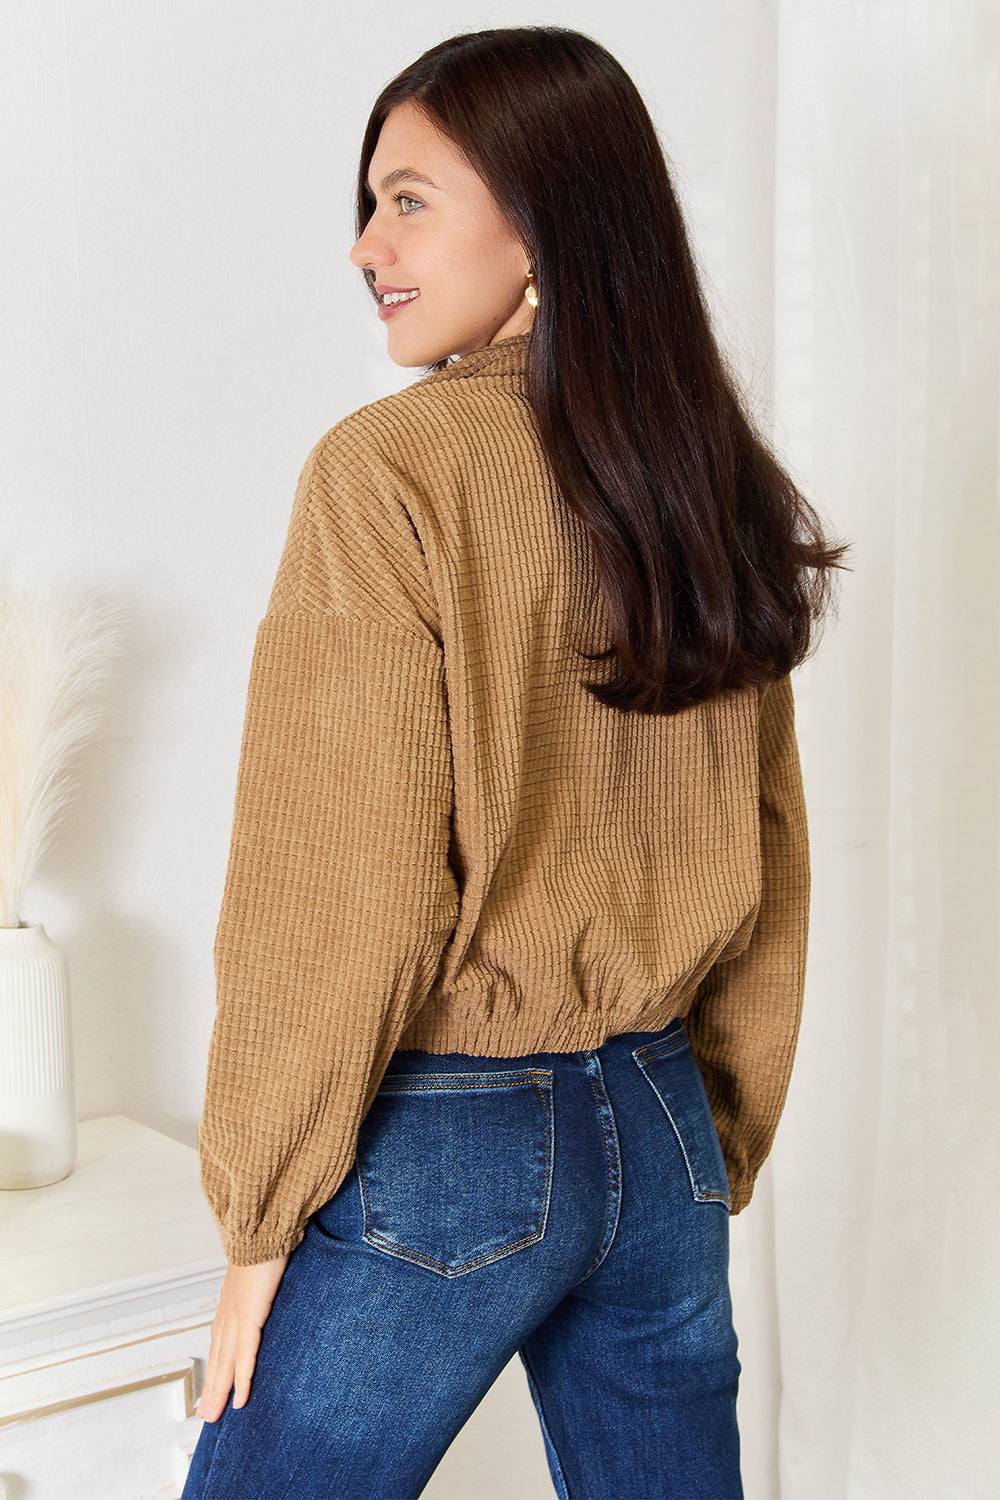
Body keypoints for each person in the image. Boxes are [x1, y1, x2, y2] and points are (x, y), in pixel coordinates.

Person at [182, 24, 848, 1500]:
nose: (365, 244)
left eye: (409, 198)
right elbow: (769, 854)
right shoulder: (697, 476)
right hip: (664, 1123)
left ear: (542, 217)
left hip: (452, 1146)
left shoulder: (390, 473)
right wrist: (708, 1131)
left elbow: (341, 889)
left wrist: (258, 1221)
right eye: (367, 204)